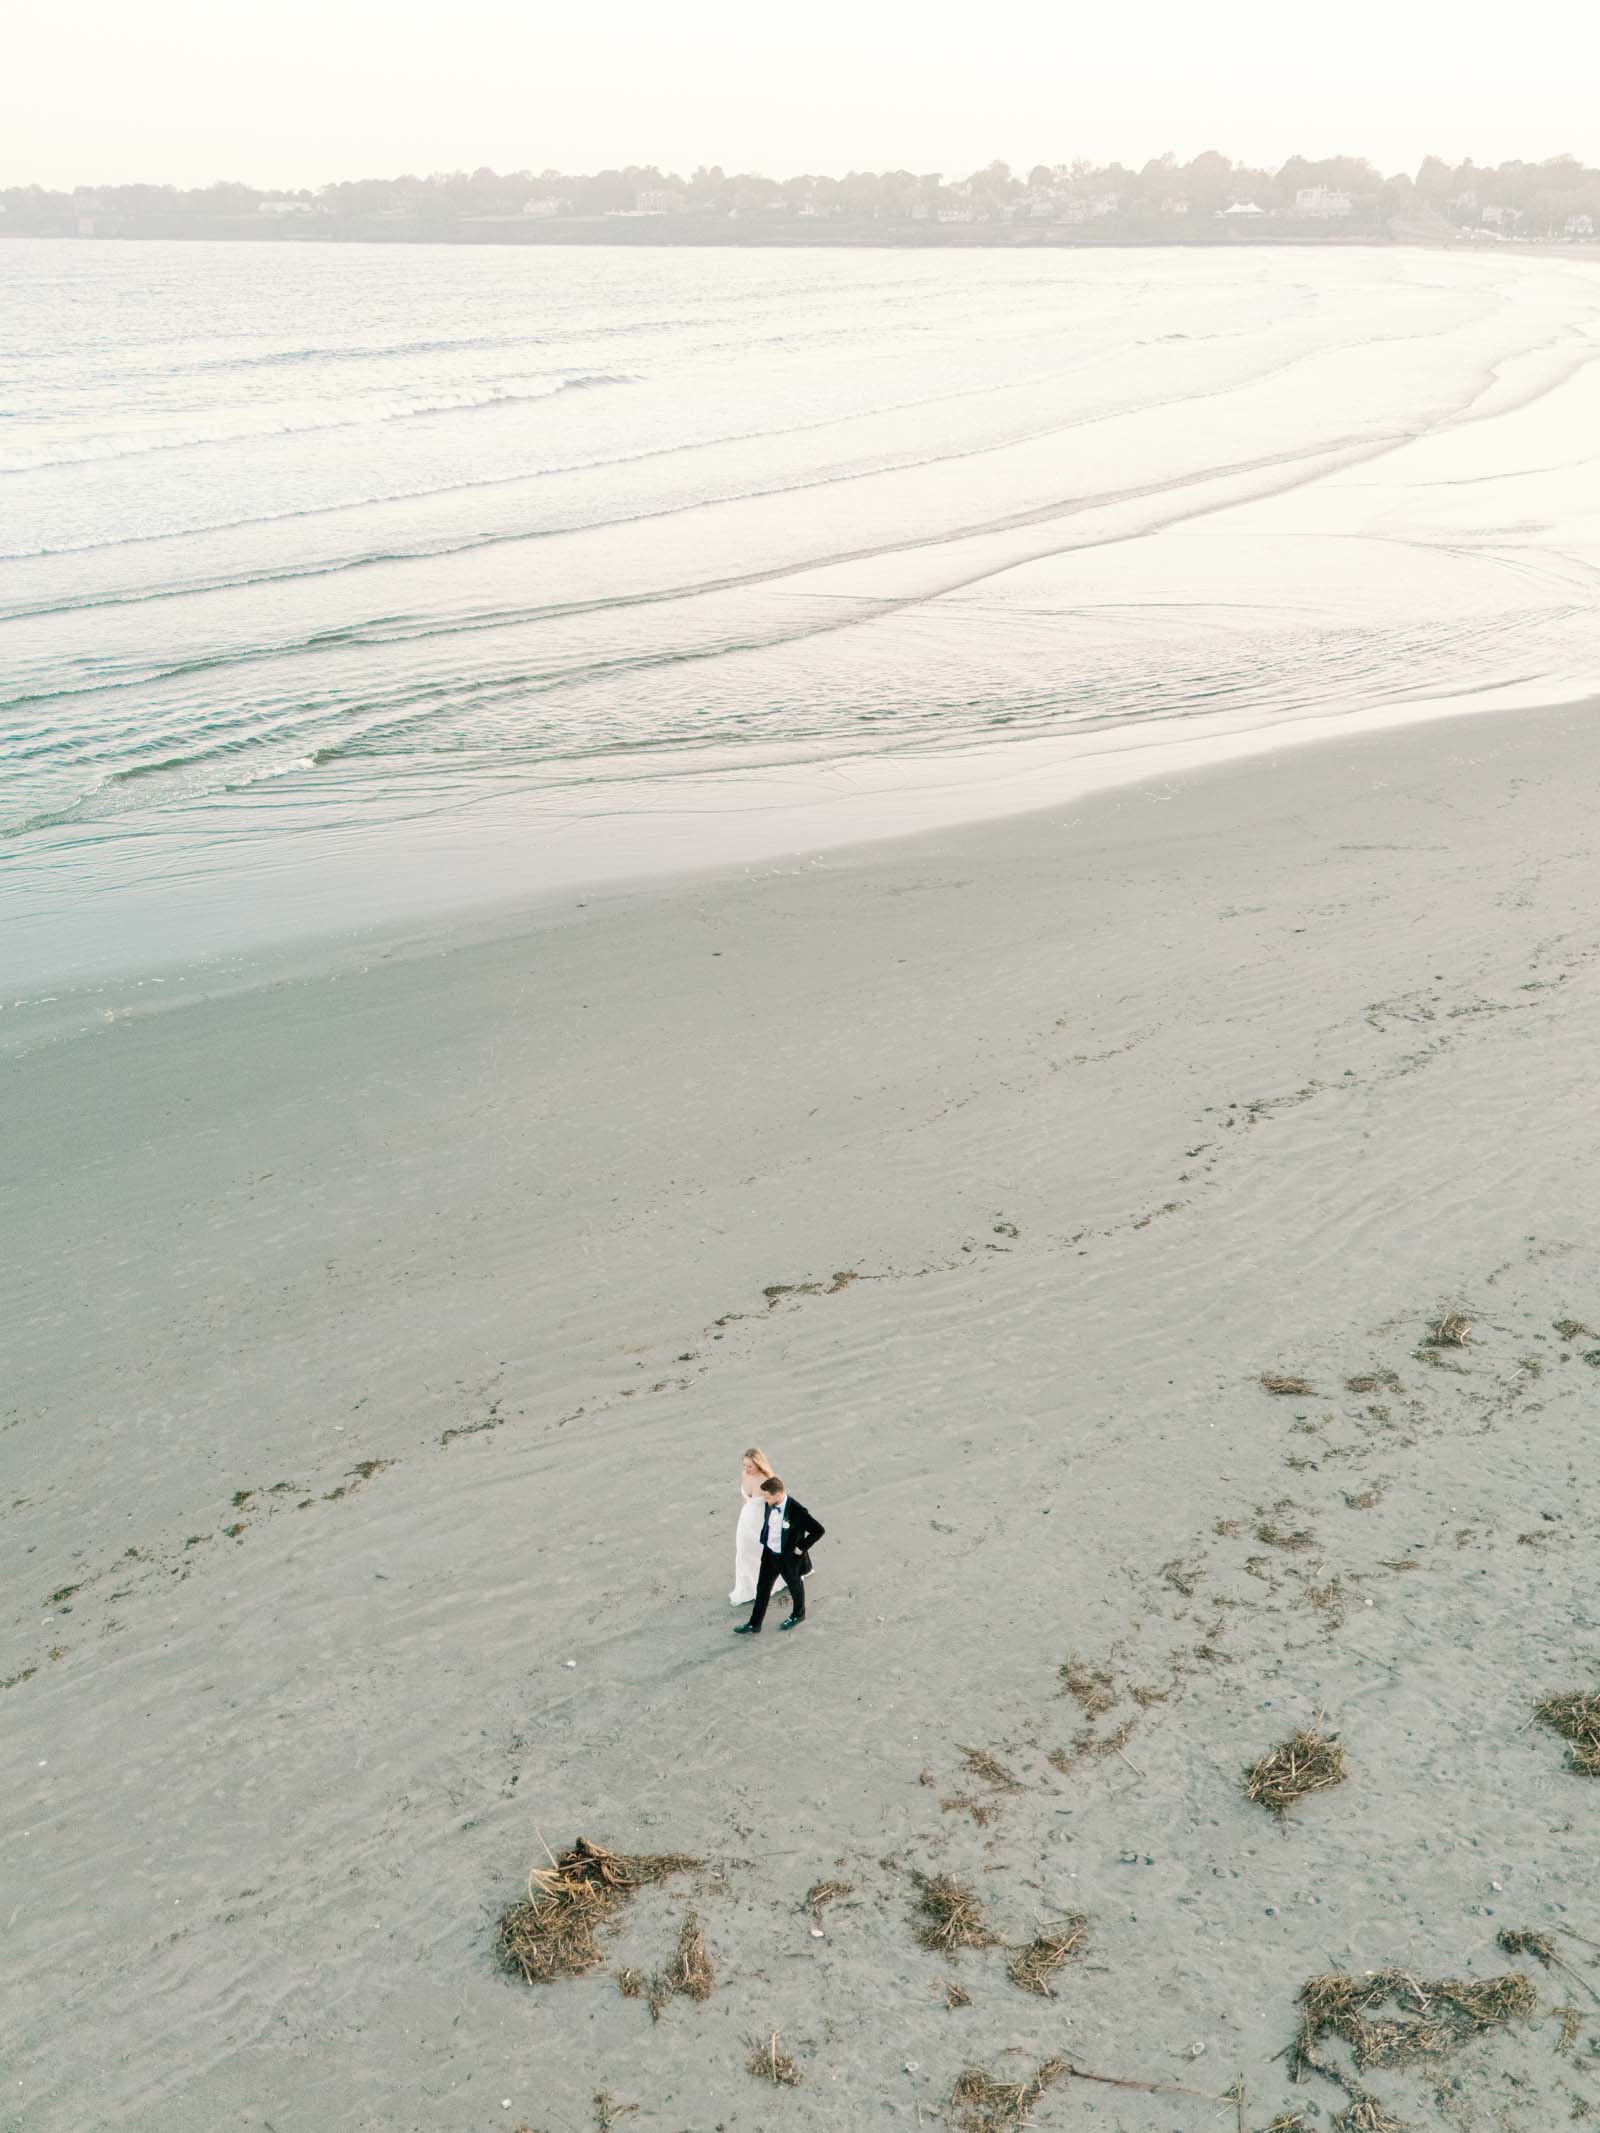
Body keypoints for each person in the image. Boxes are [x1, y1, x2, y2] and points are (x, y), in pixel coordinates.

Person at [733, 1475, 824, 1635]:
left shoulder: (798, 1512)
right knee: (762, 1588)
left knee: (795, 1586)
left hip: (788, 1558)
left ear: (777, 1495)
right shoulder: (770, 1503)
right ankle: (754, 1624)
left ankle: (798, 1614)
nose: (765, 1500)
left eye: (767, 1497)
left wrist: (801, 1548)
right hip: (769, 1554)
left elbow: (818, 1530)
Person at [730, 1447, 777, 1607]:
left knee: (761, 1553)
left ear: (758, 1464)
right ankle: (746, 1588)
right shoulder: (744, 1474)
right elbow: (745, 1499)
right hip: (745, 1522)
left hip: (760, 1524)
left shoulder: (766, 1481)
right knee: (743, 1553)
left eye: (749, 1466)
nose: (746, 1469)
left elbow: (775, 1504)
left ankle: (769, 1583)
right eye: (744, 1465)